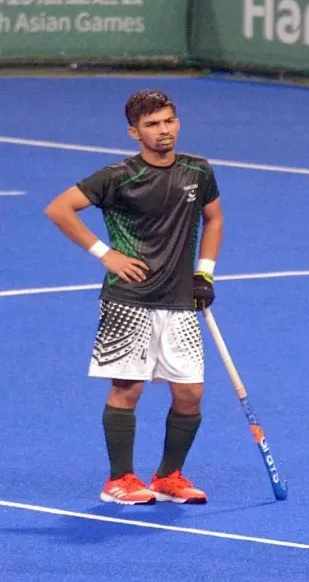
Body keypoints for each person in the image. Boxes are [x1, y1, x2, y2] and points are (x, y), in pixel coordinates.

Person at [44, 89, 223, 506]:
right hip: (129, 299)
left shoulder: (198, 170)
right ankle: (119, 479)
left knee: (190, 392)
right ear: (134, 132)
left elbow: (213, 218)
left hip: (180, 300)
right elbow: (59, 209)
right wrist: (106, 255)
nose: (164, 131)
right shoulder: (118, 176)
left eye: (169, 121)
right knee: (128, 388)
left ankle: (167, 476)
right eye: (152, 125)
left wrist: (205, 272)